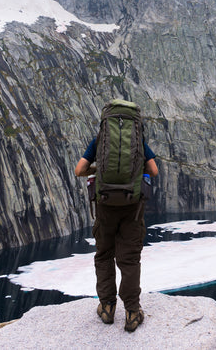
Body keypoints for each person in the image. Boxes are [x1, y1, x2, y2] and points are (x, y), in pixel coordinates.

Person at [75, 131, 158, 332]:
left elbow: (79, 170)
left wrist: (100, 170)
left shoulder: (99, 141)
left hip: (105, 206)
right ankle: (132, 312)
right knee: (129, 259)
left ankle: (107, 307)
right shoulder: (138, 141)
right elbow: (153, 170)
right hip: (132, 208)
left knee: (104, 255)